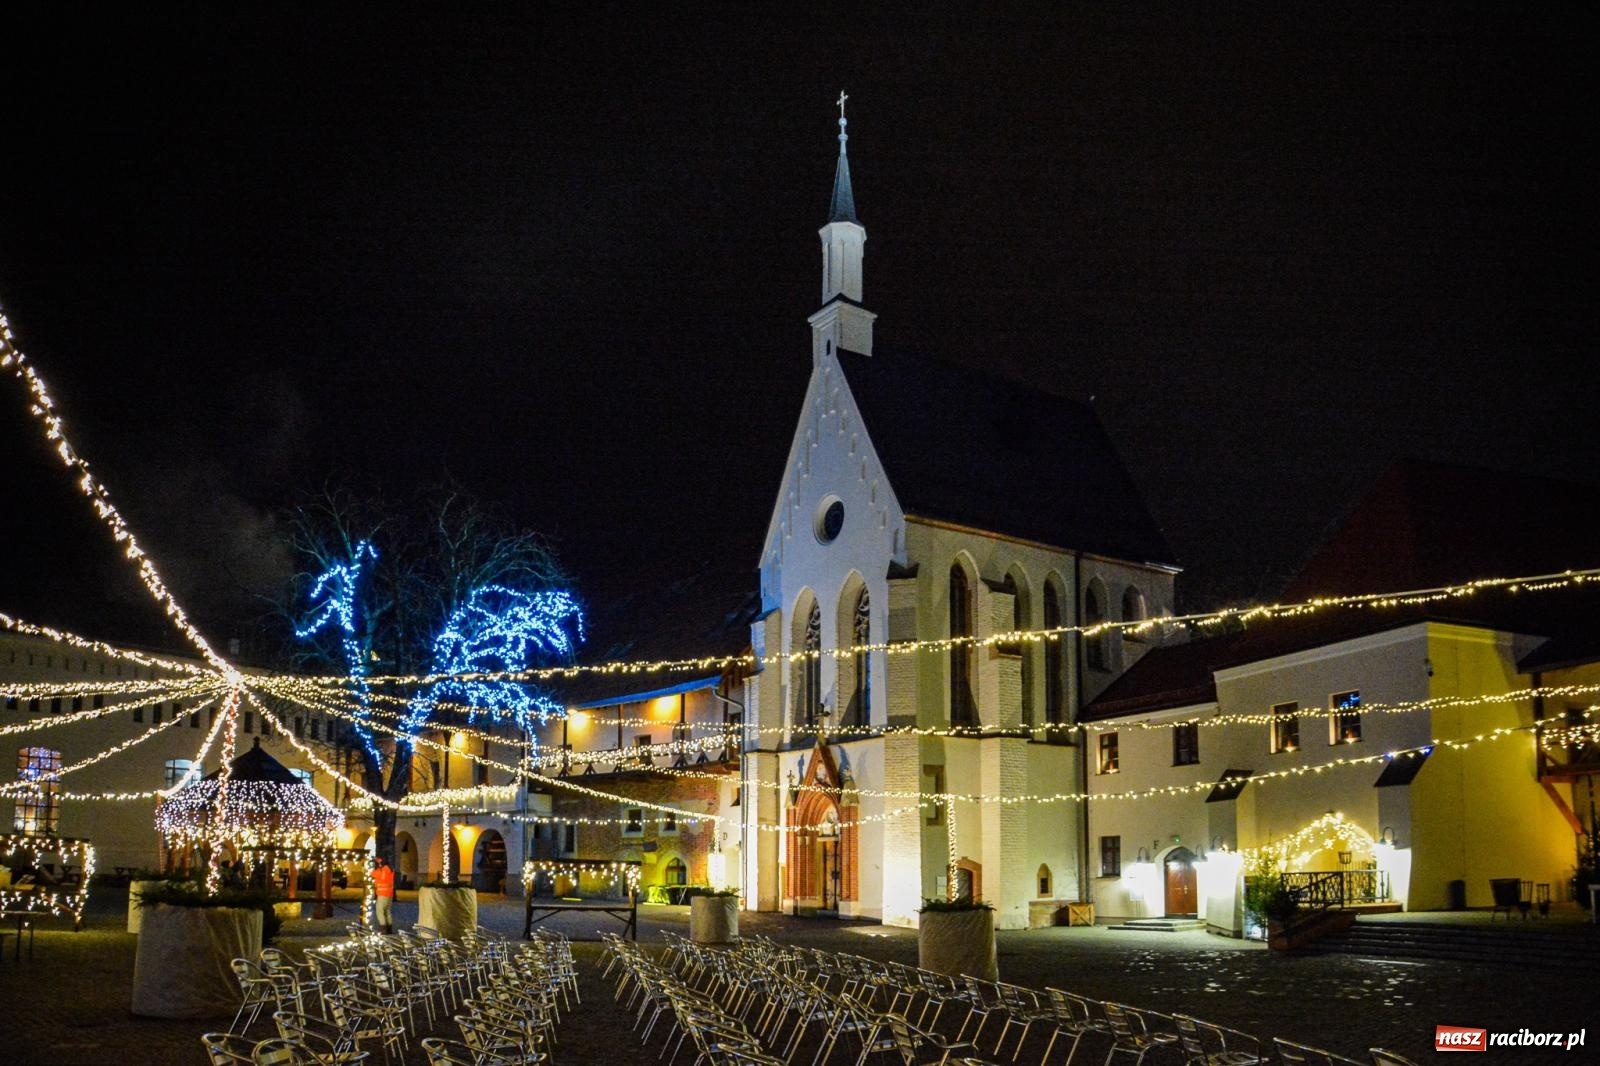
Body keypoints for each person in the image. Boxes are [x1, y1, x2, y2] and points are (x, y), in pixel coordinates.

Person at [372, 855, 395, 934]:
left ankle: (383, 929)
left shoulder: (383, 870)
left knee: (380, 911)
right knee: (387, 911)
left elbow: (374, 874)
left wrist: (375, 869)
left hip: (382, 894)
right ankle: (389, 929)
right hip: (389, 894)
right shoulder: (390, 869)